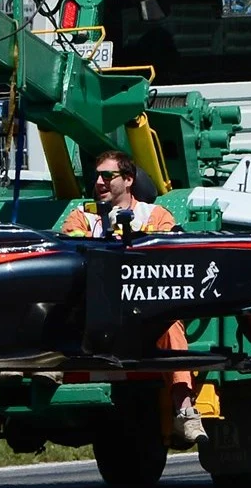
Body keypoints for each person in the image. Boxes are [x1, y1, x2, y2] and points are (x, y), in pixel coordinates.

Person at [60, 151, 208, 446]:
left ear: (128, 180)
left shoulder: (155, 215)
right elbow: (67, 250)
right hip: (91, 312)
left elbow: (173, 252)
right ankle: (45, 371)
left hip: (145, 310)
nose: (99, 182)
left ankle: (185, 410)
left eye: (107, 176)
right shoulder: (82, 215)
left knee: (172, 327)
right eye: (96, 176)